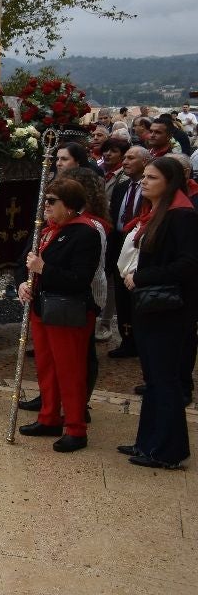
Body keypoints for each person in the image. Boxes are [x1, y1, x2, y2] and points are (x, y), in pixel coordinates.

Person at [119, 157, 198, 469]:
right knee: (153, 378)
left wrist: (141, 277)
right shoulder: (157, 213)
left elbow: (188, 264)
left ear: (170, 182)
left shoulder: (182, 216)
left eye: (152, 177)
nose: (144, 182)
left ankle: (168, 450)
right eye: (145, 176)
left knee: (165, 379)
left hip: (169, 310)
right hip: (151, 306)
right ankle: (148, 442)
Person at [17, 178, 103, 452]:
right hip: (43, 307)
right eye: (45, 200)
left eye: (52, 201)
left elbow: (79, 278)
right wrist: (23, 284)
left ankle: (76, 428)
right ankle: (49, 417)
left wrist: (43, 269)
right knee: (47, 367)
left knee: (70, 371)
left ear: (69, 206)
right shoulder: (45, 230)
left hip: (68, 311)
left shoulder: (85, 232)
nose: (46, 205)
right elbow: (24, 263)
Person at [108, 146, 152, 359]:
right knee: (121, 295)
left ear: (144, 162)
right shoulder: (121, 187)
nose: (125, 161)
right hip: (119, 243)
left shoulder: (150, 189)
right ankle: (126, 339)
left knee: (136, 294)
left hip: (140, 245)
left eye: (131, 158)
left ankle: (141, 340)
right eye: (124, 157)